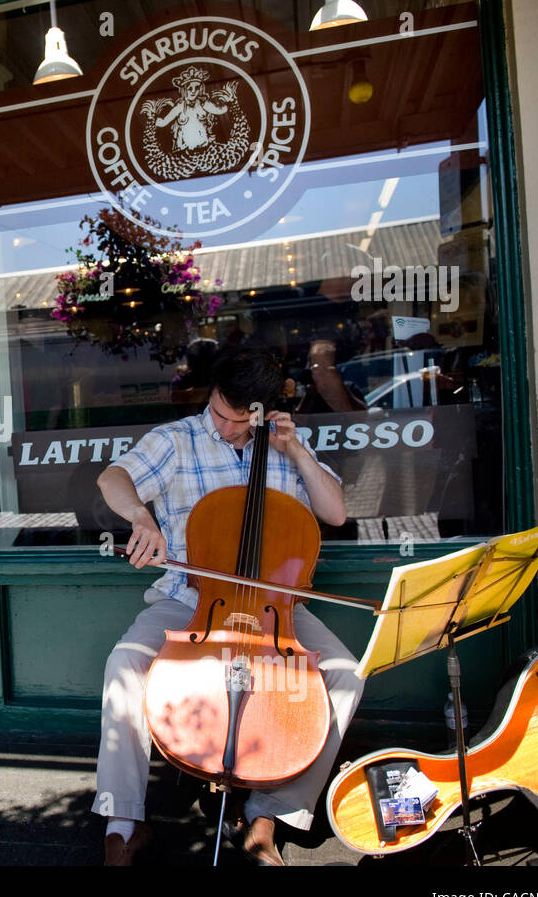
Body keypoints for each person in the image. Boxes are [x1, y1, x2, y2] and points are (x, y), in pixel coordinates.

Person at [92, 346, 364, 866]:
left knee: (347, 674)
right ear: (211, 395)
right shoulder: (176, 440)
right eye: (220, 413)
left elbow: (334, 513)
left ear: (265, 409)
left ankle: (268, 814)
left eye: (242, 420)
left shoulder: (287, 442)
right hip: (192, 603)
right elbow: (113, 478)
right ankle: (122, 823)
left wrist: (298, 453)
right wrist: (141, 518)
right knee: (124, 662)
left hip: (278, 610)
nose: (229, 427)